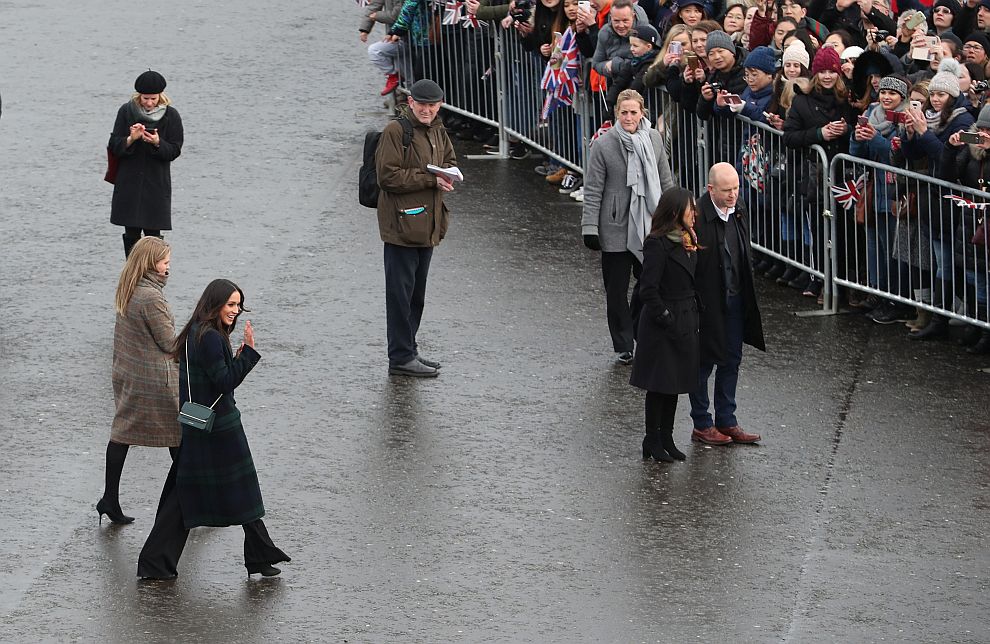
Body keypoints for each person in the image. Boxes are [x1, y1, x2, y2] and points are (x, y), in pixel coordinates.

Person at [137, 279, 290, 580]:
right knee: (238, 492)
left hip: (201, 424)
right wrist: (247, 354)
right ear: (215, 304)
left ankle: (158, 560)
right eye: (231, 305)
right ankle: (258, 556)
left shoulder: (198, 330)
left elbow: (212, 376)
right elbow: (224, 382)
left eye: (238, 305)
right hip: (218, 427)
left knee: (186, 494)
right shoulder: (210, 338)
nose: (236, 311)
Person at [582, 89, 675, 364]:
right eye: (624, 112)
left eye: (634, 112)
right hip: (615, 227)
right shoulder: (604, 144)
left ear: (642, 113)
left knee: (649, 283)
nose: (629, 117)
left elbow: (665, 180)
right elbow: (593, 189)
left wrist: (674, 218)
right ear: (616, 114)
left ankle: (637, 326)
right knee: (616, 289)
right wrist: (589, 227)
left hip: (649, 224)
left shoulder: (654, 140)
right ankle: (623, 343)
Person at [376, 79, 456, 377]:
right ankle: (400, 357)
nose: (427, 110)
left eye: (432, 105)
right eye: (422, 104)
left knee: (415, 296)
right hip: (402, 226)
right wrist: (429, 178)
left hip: (427, 226)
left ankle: (409, 350)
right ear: (411, 103)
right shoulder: (396, 131)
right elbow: (387, 177)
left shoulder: (437, 129)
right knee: (400, 296)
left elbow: (448, 159)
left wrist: (449, 175)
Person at [97, 237, 179, 525]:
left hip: (128, 373)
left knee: (122, 433)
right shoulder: (152, 298)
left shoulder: (130, 288)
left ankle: (109, 498)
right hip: (153, 381)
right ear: (150, 264)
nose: (169, 266)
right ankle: (194, 500)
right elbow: (169, 343)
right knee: (178, 436)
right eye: (165, 261)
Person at [689, 163, 766, 446]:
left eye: (736, 188)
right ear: (711, 189)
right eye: (726, 190)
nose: (733, 195)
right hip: (707, 305)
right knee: (703, 363)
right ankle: (701, 423)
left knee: (732, 359)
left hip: (735, 299)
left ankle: (726, 419)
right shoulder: (696, 216)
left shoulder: (739, 208)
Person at [630, 188, 700, 463]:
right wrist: (666, 316)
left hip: (685, 319)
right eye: (690, 210)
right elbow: (648, 289)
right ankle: (652, 438)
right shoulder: (657, 244)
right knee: (658, 385)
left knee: (674, 384)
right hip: (664, 323)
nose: (695, 215)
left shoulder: (688, 240)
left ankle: (667, 437)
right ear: (675, 213)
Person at [108, 70, 183, 258]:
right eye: (145, 98)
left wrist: (157, 143)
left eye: (153, 98)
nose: (149, 103)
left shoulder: (171, 116)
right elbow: (114, 145)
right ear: (138, 96)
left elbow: (174, 150)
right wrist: (130, 139)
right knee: (131, 235)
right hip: (129, 186)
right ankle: (131, 275)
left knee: (154, 238)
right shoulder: (126, 111)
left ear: (161, 96)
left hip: (156, 187)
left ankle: (152, 276)